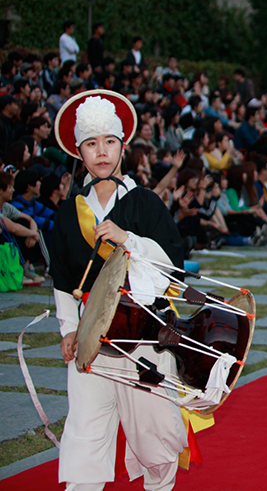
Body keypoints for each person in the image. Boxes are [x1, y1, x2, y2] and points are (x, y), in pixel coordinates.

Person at [51, 89, 188, 490]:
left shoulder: (144, 202)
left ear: (122, 146)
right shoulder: (69, 210)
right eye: (91, 144)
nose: (102, 152)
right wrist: (68, 329)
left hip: (143, 334)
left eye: (109, 142)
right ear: (80, 153)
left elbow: (174, 267)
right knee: (86, 433)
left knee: (154, 434)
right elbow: (61, 277)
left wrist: (129, 239)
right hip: (92, 337)